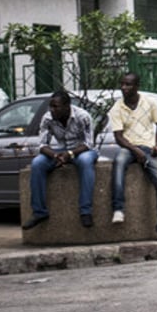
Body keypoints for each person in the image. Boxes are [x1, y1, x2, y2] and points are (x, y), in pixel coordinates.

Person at [108, 72, 157, 242]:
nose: (124, 88)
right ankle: (118, 209)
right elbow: (119, 137)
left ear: (137, 86)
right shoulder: (117, 108)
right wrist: (135, 150)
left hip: (149, 148)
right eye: (122, 84)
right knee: (119, 161)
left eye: (128, 85)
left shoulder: (150, 103)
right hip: (129, 146)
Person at [22, 90, 98, 229]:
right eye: (51, 106)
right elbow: (42, 145)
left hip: (81, 151)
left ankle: (85, 211)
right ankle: (39, 212)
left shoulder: (83, 116)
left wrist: (70, 154)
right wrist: (55, 155)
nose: (52, 110)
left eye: (55, 106)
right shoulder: (48, 118)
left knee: (86, 162)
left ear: (67, 106)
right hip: (60, 151)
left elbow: (88, 144)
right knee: (37, 163)